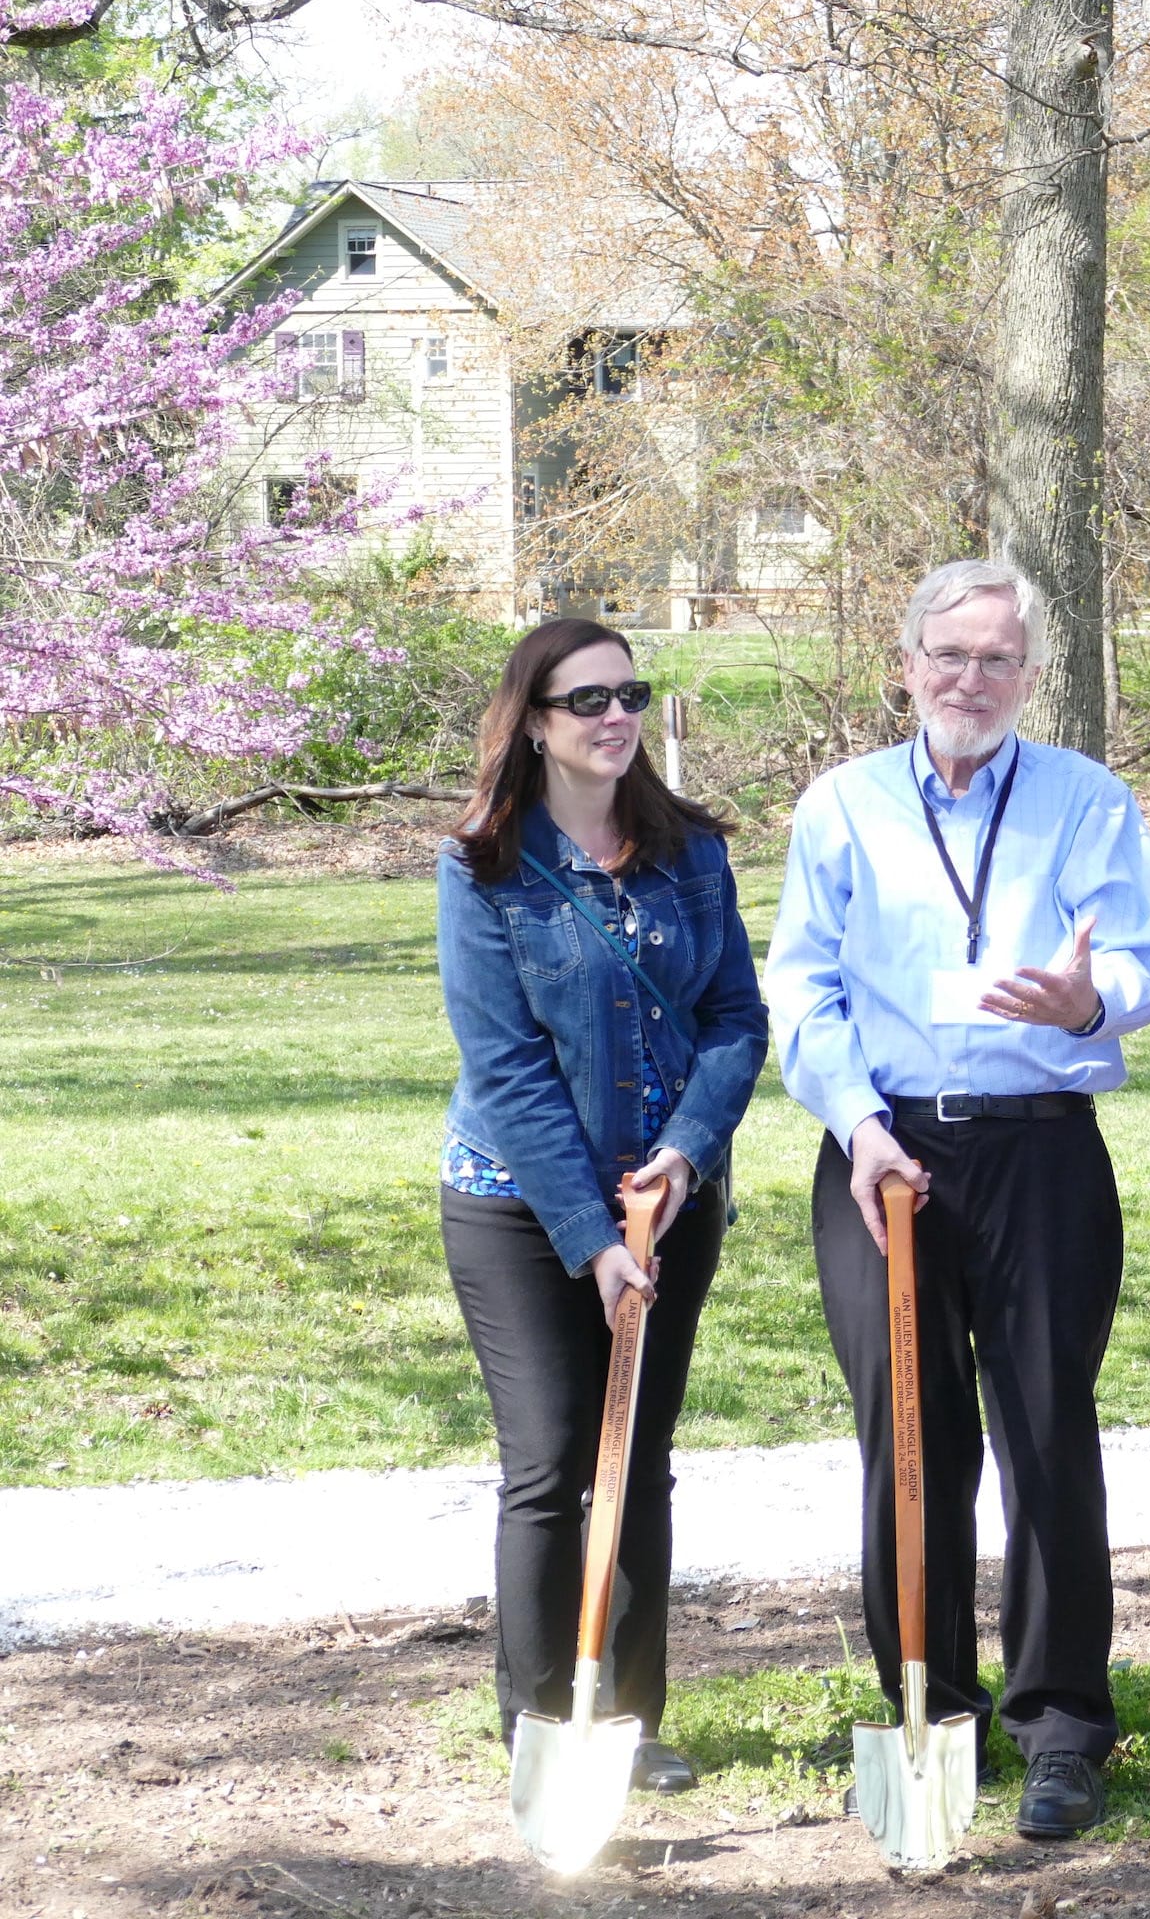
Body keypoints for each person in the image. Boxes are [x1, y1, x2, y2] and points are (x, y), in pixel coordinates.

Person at [766, 558, 1150, 1840]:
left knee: (1048, 1431)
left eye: (998, 659)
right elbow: (804, 986)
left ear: (1029, 675)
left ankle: (1060, 1725)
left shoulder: (1085, 800)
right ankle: (924, 1713)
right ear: (906, 664)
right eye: (949, 655)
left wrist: (1090, 998)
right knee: (909, 1432)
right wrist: (858, 1127)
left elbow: (1145, 952)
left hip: (1040, 1148)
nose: (971, 679)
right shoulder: (840, 808)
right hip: (879, 1158)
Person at [437, 616, 769, 1794]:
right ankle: (541, 1720)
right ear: (534, 721)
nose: (615, 715)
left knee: (638, 1458)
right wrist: (590, 1239)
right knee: (551, 1460)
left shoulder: (692, 853)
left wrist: (685, 1157)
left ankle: (627, 1717)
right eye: (586, 700)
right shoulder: (483, 867)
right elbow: (505, 1065)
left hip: (667, 1202)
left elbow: (736, 1017)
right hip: (518, 1211)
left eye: (629, 693)